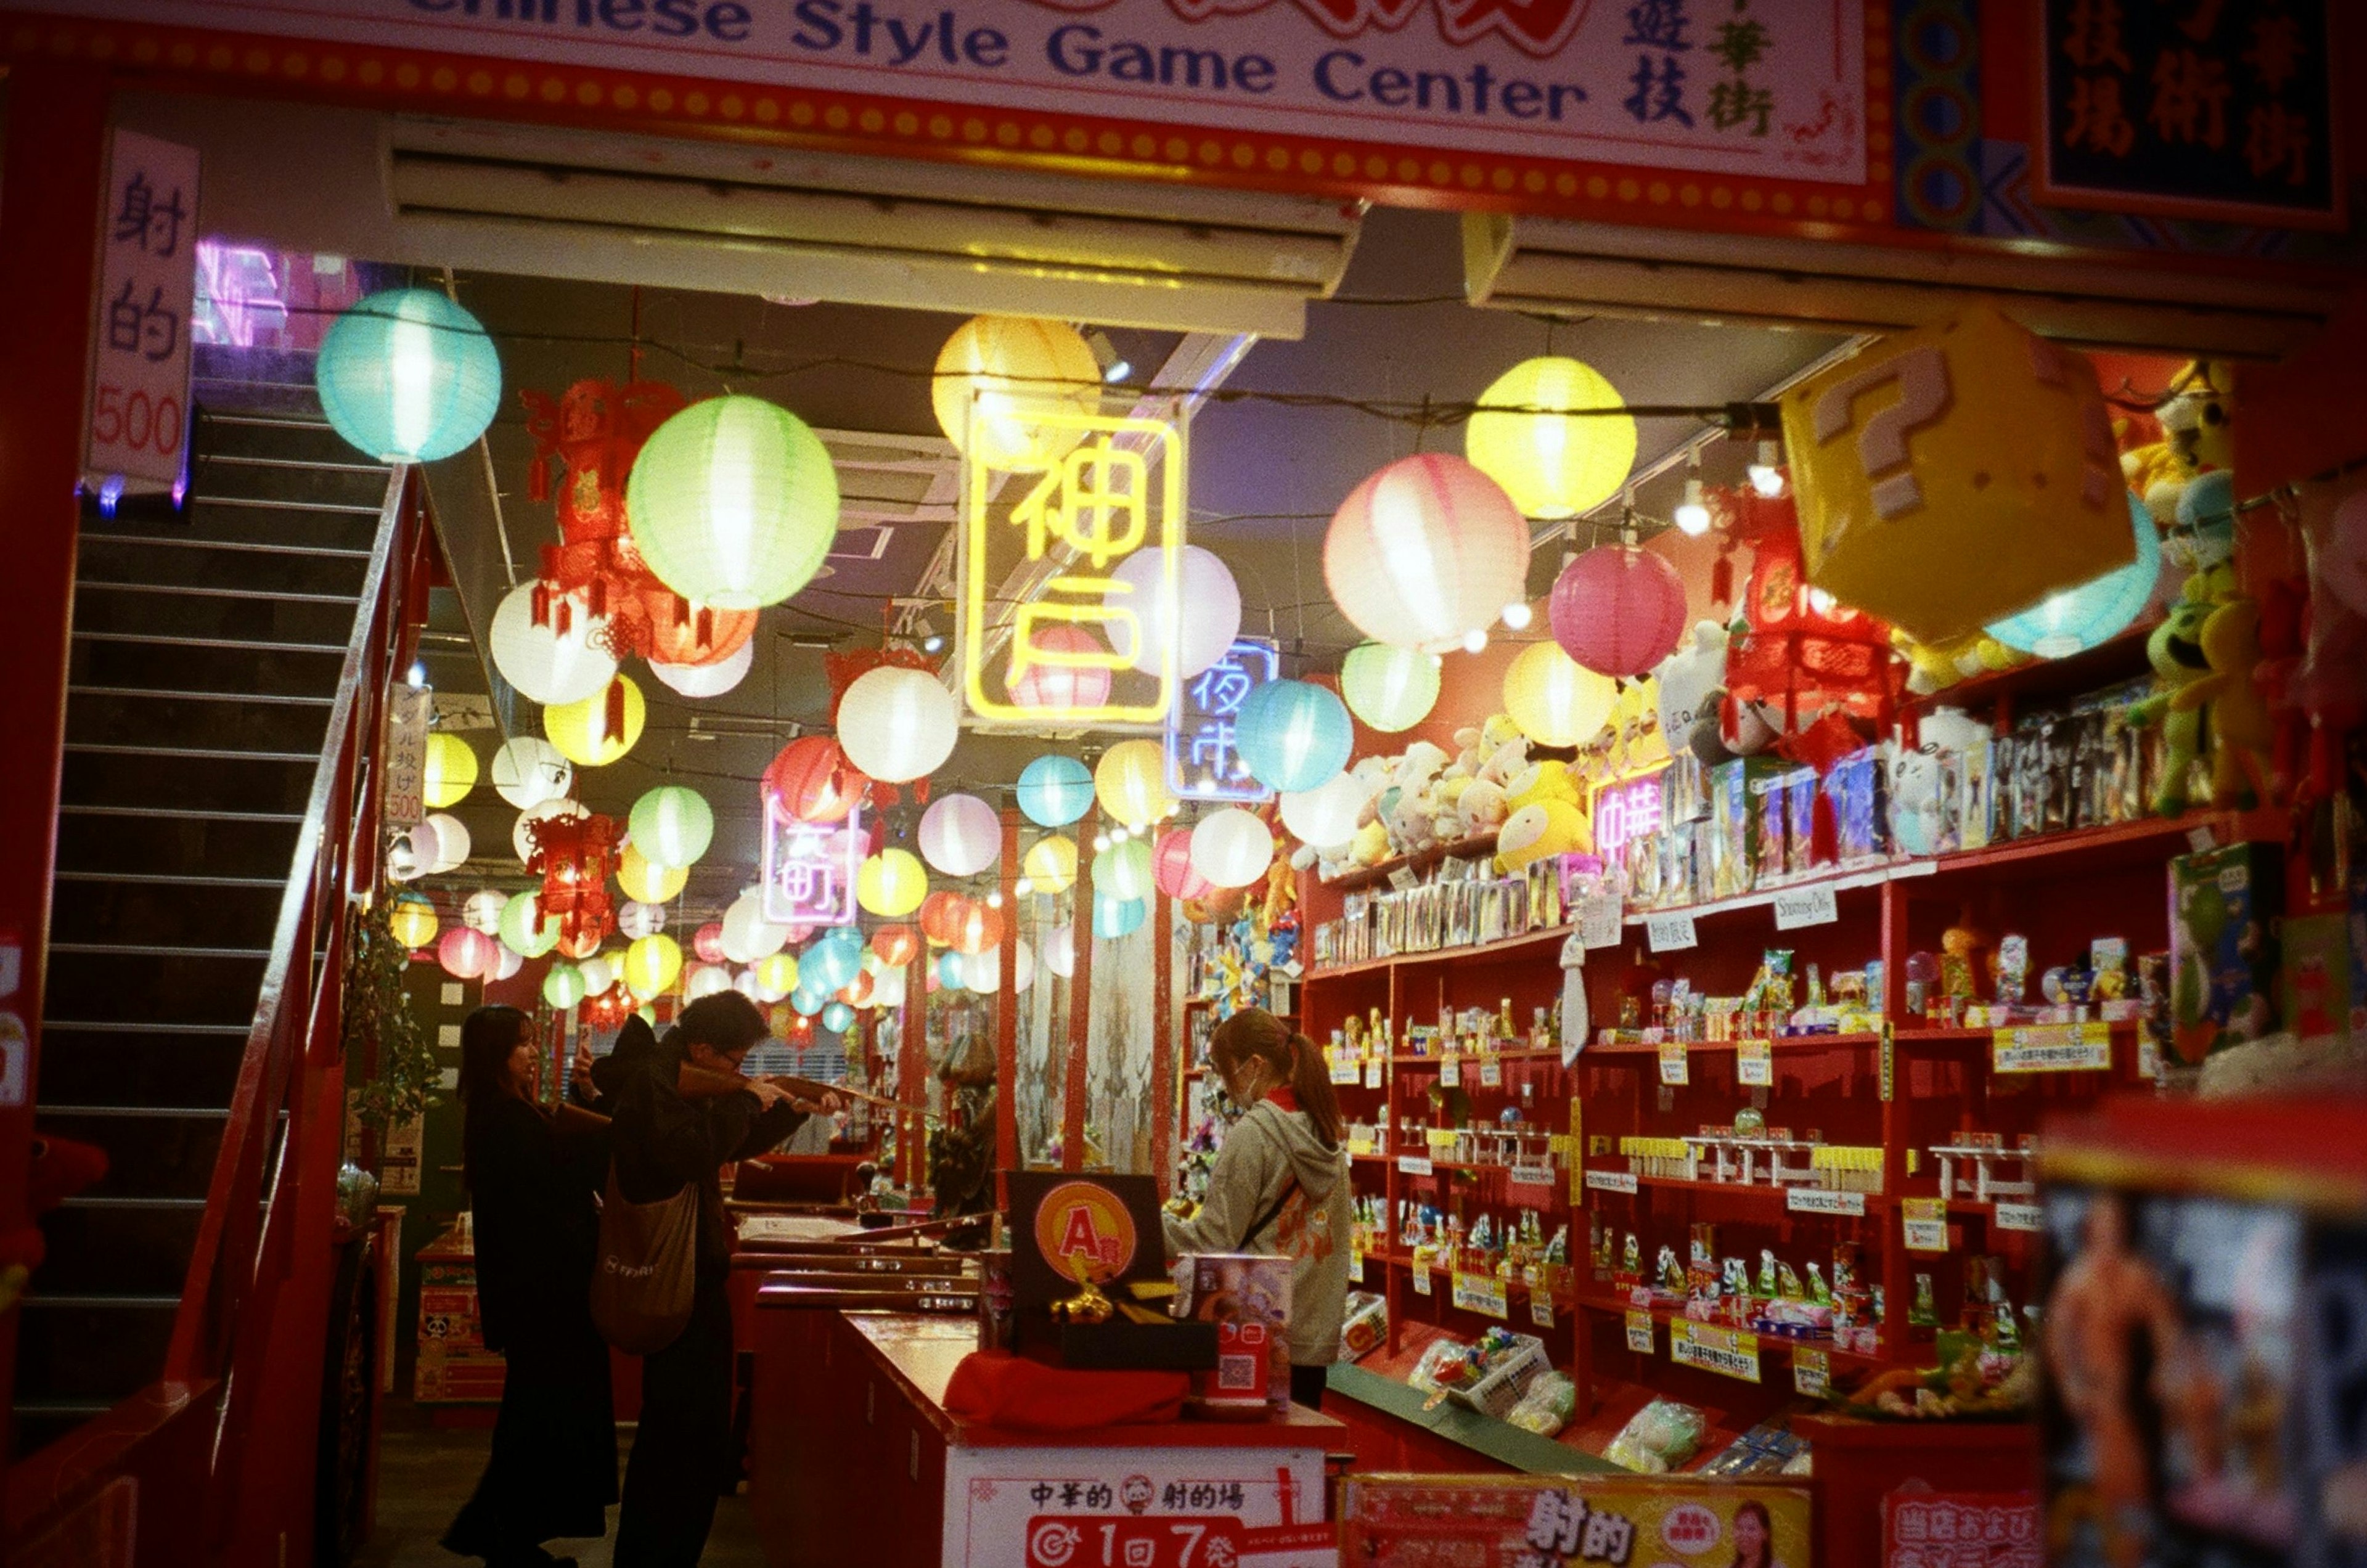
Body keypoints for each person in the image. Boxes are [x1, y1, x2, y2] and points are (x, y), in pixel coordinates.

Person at [606, 992, 841, 1568]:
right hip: (679, 1278)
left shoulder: (674, 1078)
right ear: (702, 1048)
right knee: (682, 1439)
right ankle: (656, 1555)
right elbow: (692, 1154)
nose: (739, 1072)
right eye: (734, 1062)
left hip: (692, 1275)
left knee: (689, 1437)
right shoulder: (657, 1083)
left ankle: (663, 1552)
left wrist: (788, 1110)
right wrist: (746, 1101)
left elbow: (719, 1147)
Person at [443, 1006, 615, 1568]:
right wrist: (591, 1108)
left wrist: (586, 1097)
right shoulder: (506, 1119)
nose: (533, 1052)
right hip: (544, 1293)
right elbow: (566, 1173)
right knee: (540, 1416)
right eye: (521, 1044)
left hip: (536, 1291)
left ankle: (501, 1532)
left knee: (535, 1413)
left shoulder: (504, 1113)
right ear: (496, 1053)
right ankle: (501, 1533)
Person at [1161, 1008, 1350, 1411]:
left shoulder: (1254, 1134)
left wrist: (1145, 1223)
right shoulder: (1327, 1131)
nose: (1228, 1088)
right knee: (1295, 1459)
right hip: (1311, 1344)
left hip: (1254, 1339)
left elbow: (1214, 1240)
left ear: (1255, 1066)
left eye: (1226, 1072)